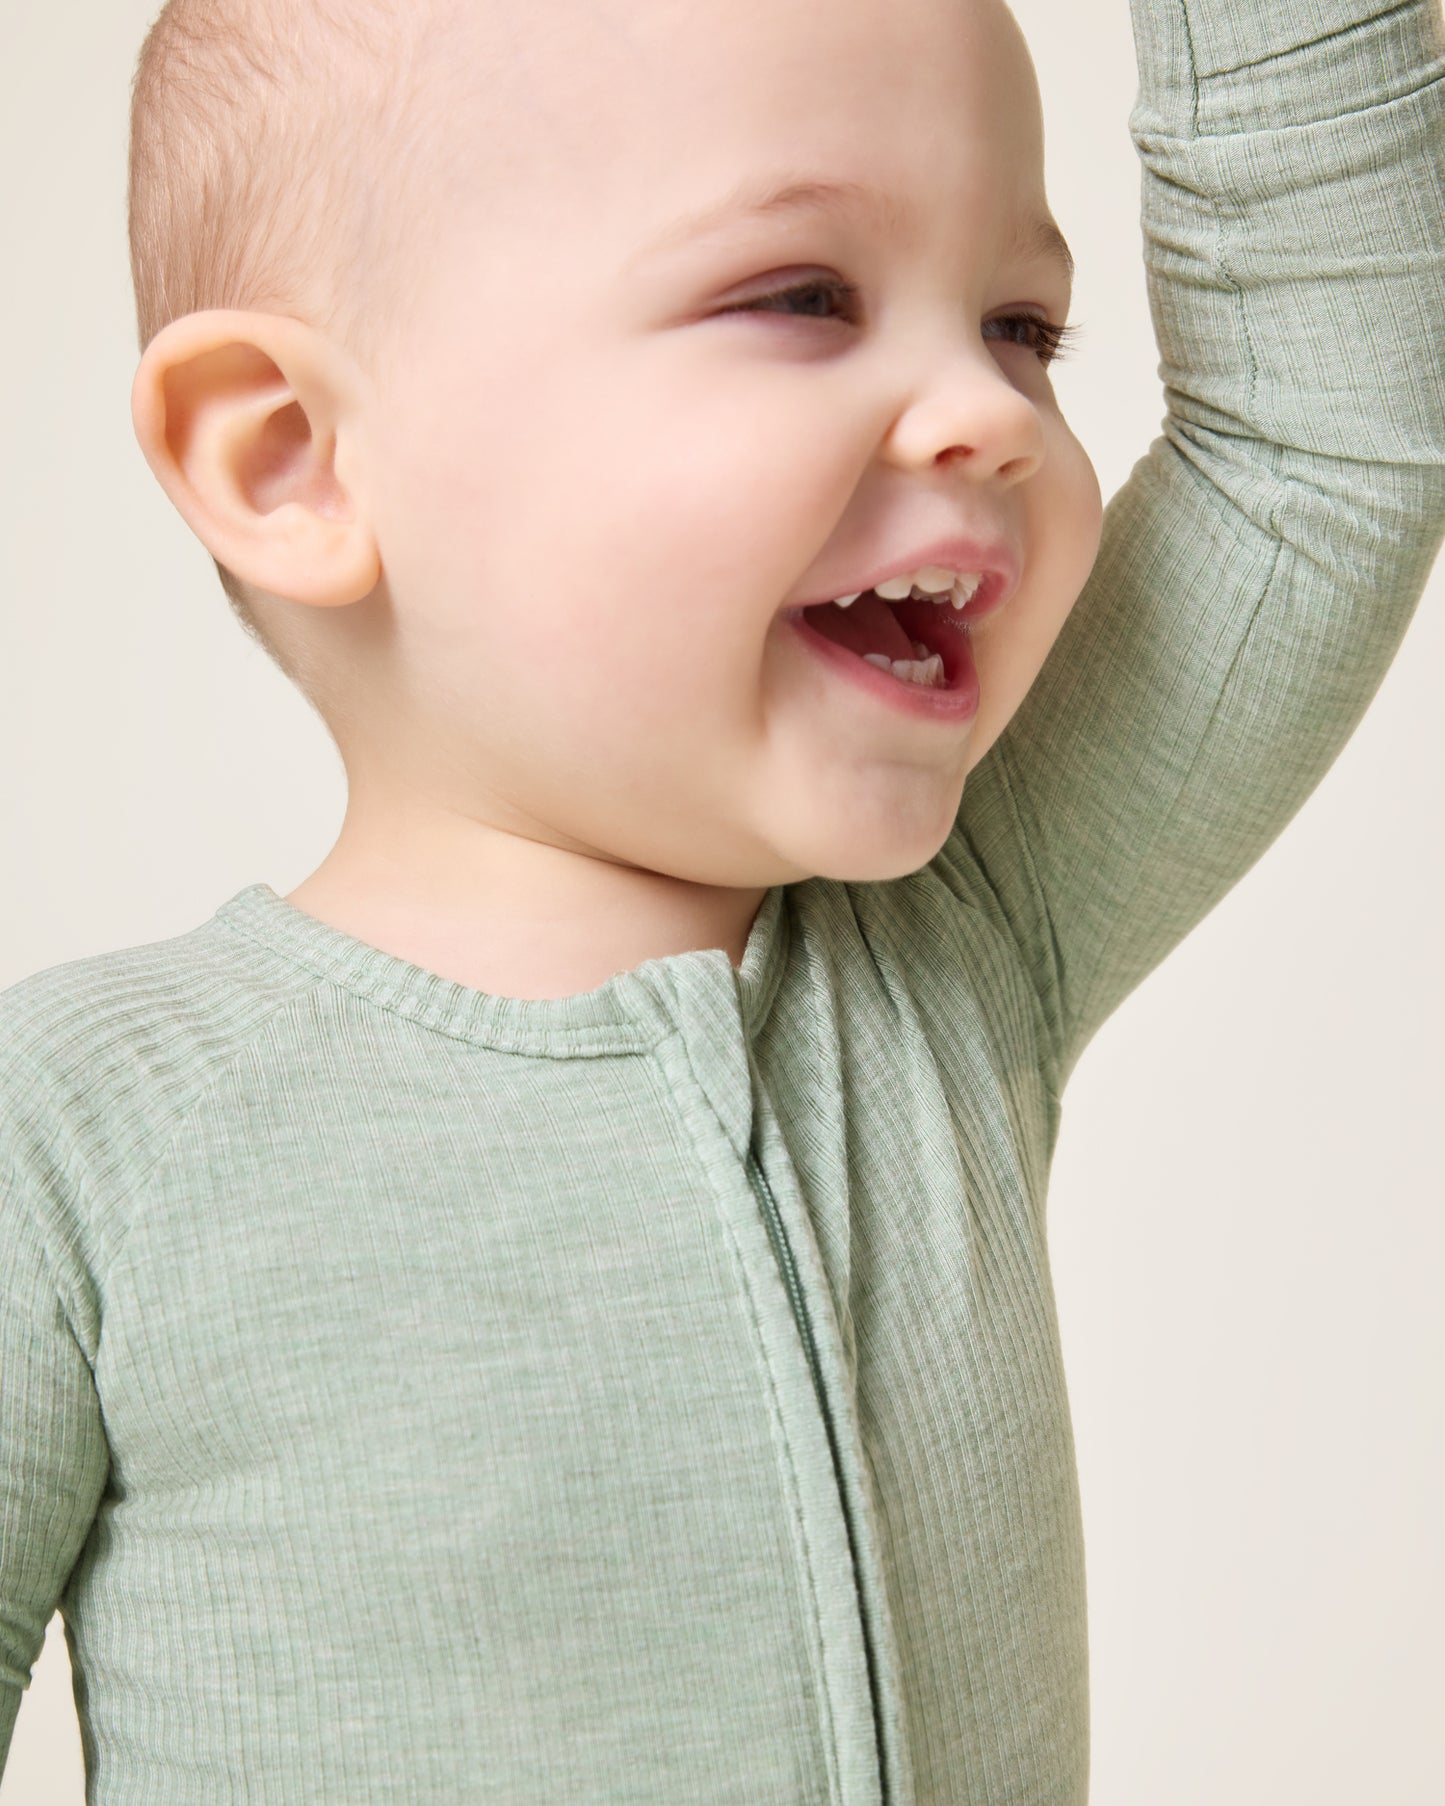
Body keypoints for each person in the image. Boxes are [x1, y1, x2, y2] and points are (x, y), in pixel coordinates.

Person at [1, 0, 1441, 1799]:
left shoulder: (951, 958)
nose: (992, 409)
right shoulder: (75, 1138)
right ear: (289, 455)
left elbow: (1317, 449)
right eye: (802, 296)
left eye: (1024, 324)